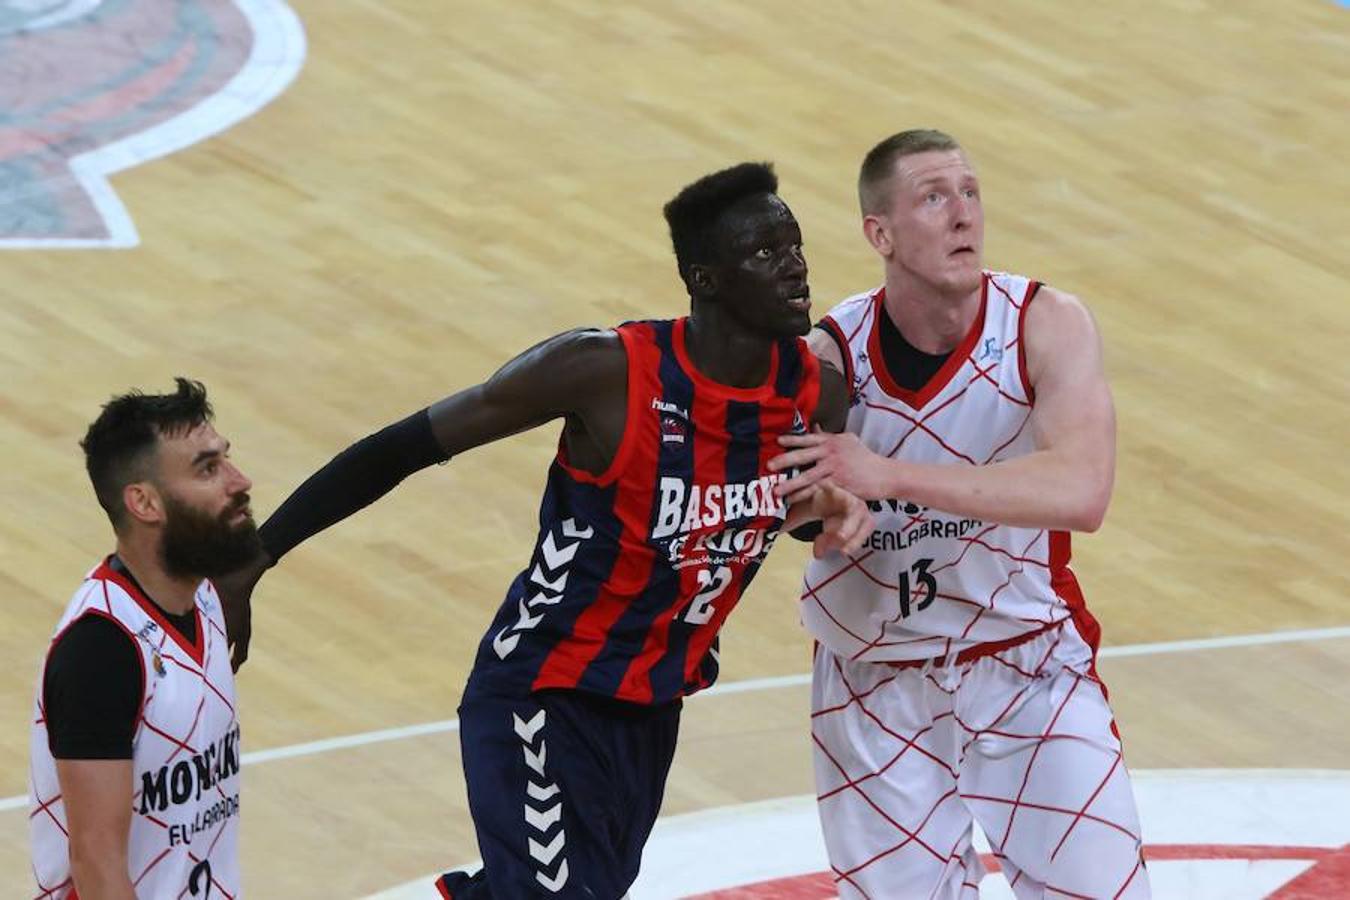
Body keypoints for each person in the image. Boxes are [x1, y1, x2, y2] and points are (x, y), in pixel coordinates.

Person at [216, 162, 872, 899]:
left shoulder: (815, 395)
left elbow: (767, 517)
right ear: (706, 279)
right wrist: (257, 557)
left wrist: (827, 508)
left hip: (653, 706)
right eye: (764, 252)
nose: (794, 267)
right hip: (542, 686)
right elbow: (402, 448)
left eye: (795, 245)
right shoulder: (604, 371)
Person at [769, 130, 1150, 898]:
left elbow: (1083, 491)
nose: (962, 214)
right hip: (873, 683)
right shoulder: (830, 355)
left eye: (970, 193)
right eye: (934, 197)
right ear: (880, 234)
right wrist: (819, 506)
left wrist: (887, 476)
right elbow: (791, 497)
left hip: (1026, 663)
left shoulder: (1045, 322)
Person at [29, 378, 258, 900]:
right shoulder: (101, 651)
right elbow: (97, 865)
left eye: (226, 458)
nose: (239, 480)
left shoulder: (201, 593)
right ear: (145, 502)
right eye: (208, 469)